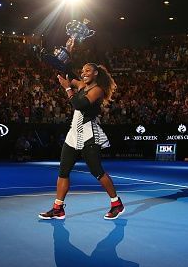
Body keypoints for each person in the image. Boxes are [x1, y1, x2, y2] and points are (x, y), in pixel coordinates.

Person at [39, 58, 125, 220]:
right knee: (63, 171)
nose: (83, 73)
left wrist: (67, 89)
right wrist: (57, 57)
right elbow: (66, 72)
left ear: (96, 73)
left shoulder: (97, 90)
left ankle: (116, 204)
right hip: (73, 134)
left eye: (87, 70)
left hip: (89, 134)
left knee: (97, 172)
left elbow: (79, 104)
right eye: (83, 70)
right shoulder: (81, 85)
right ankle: (58, 208)